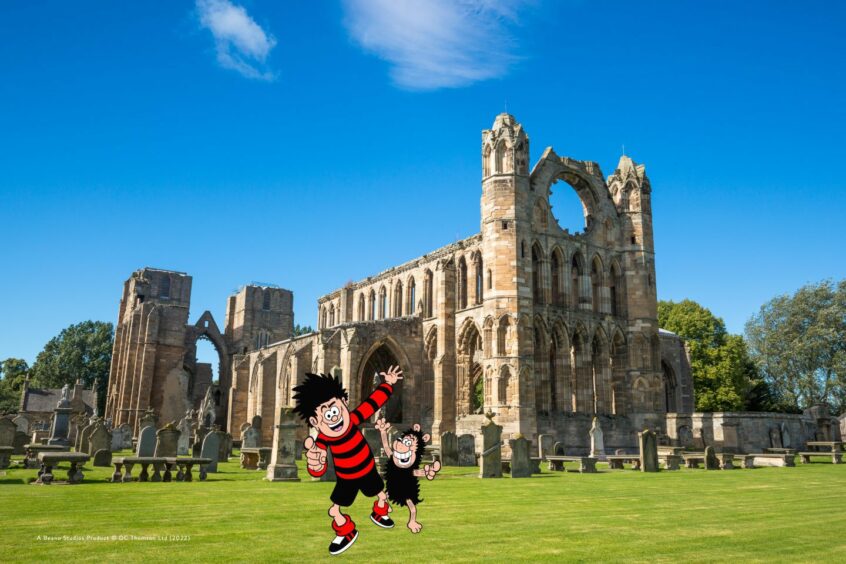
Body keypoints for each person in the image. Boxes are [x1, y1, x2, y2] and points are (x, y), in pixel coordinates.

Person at [293, 365, 403, 555]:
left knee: (380, 494)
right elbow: (318, 464)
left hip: (367, 468)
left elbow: (372, 403)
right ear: (314, 422)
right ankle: (346, 532)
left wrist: (388, 385)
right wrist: (315, 465)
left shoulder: (352, 418)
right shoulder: (323, 438)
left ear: (344, 402)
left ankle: (380, 511)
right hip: (347, 477)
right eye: (326, 415)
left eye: (335, 410)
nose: (333, 417)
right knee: (335, 509)